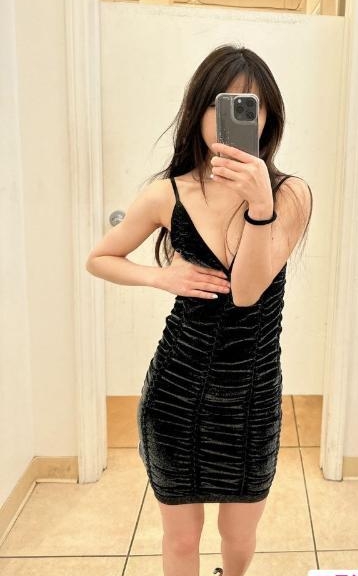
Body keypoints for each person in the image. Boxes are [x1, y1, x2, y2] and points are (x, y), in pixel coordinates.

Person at [86, 44, 313, 576]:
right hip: (176, 393)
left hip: (252, 398)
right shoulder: (166, 194)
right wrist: (160, 276)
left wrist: (260, 203)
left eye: (250, 106)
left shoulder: (290, 194)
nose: (234, 116)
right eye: (221, 102)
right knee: (181, 538)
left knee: (239, 535)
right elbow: (99, 259)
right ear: (199, 109)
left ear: (267, 118)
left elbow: (249, 292)